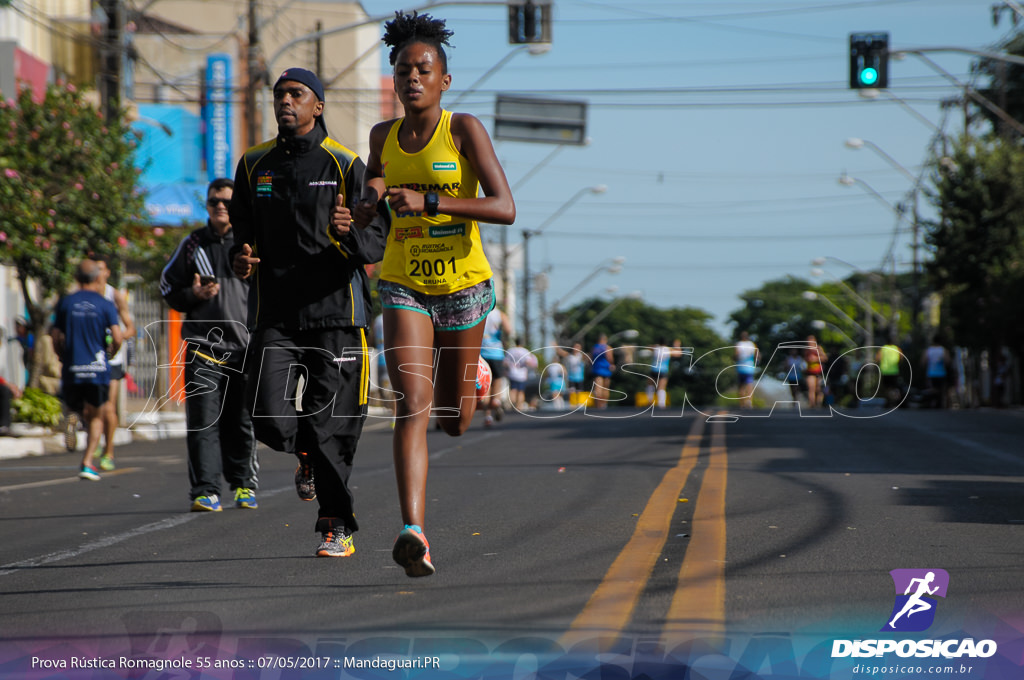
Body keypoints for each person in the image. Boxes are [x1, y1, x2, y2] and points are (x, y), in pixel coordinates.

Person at [350, 11, 515, 577]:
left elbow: (504, 208)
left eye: (424, 69)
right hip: (404, 284)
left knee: (455, 421)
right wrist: (365, 205)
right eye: (403, 70)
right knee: (411, 408)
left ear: (444, 80)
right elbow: (376, 180)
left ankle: (474, 378)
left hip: (464, 286)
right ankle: (413, 533)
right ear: (393, 80)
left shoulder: (463, 129)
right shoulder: (382, 136)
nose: (412, 77)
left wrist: (433, 203)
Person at [230, 67, 389, 556]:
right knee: (267, 415)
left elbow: (376, 241)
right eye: (279, 95)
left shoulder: (346, 163)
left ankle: (335, 525)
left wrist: (347, 232)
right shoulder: (254, 164)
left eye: (296, 94)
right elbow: (241, 235)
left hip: (338, 315)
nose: (285, 102)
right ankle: (304, 455)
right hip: (276, 314)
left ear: (317, 105)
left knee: (332, 430)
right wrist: (241, 258)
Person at [161, 178, 259, 513]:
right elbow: (167, 286)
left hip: (245, 347)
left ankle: (244, 484)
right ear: (206, 205)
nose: (220, 206)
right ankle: (205, 491)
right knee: (203, 421)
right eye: (214, 201)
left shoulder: (251, 243)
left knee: (242, 421)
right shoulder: (193, 245)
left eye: (227, 202)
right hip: (204, 347)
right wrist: (194, 295)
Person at [51, 259, 122, 480]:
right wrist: (112, 353)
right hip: (97, 368)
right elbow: (118, 336)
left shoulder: (65, 303)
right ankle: (88, 461)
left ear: (76, 278)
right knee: (97, 416)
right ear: (96, 277)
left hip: (72, 367)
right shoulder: (105, 304)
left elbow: (54, 335)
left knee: (76, 407)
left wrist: (61, 355)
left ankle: (73, 416)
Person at [92, 256, 136, 472]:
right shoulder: (84, 295)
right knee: (91, 406)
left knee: (108, 406)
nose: (97, 273)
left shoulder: (114, 296)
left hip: (112, 359)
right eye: (94, 269)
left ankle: (108, 451)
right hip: (90, 358)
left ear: (107, 272)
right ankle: (97, 442)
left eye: (100, 269)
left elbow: (130, 328)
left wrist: (116, 337)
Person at [479, 305, 512, 427]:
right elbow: (509, 330)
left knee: (486, 383)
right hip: (496, 352)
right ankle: (496, 400)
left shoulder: (481, 313)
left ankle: (487, 415)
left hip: (482, 352)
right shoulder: (500, 314)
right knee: (497, 379)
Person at [505, 337, 536, 411]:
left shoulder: (510, 351)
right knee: (521, 391)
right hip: (522, 374)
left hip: (512, 372)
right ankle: (519, 406)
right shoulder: (525, 351)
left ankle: (512, 404)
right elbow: (528, 362)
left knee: (513, 389)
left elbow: (505, 362)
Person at [922, 335, 951, 408]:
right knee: (941, 389)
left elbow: (923, 362)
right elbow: (948, 361)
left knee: (932, 389)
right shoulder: (943, 350)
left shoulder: (929, 350)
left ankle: (932, 403)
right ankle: (940, 404)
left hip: (931, 373)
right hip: (941, 373)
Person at [590, 333, 615, 409]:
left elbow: (590, 358)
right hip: (606, 369)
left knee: (598, 388)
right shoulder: (607, 348)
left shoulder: (594, 348)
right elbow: (609, 358)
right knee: (605, 388)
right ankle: (604, 404)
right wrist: (612, 364)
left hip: (597, 369)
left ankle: (598, 404)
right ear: (605, 339)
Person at [734, 331, 758, 409]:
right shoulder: (751, 344)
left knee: (741, 385)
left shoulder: (739, 344)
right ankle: (749, 401)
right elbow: (757, 353)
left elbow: (736, 354)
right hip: (749, 367)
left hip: (741, 367)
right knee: (749, 385)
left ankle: (742, 403)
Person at [803, 335, 828, 409]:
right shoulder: (806, 350)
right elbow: (804, 360)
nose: (809, 343)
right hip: (810, 372)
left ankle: (818, 403)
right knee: (811, 388)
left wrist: (816, 359)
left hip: (818, 372)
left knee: (818, 389)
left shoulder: (818, 349)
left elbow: (825, 358)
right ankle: (812, 404)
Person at [878, 337, 903, 408]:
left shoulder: (883, 349)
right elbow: (901, 357)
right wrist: (898, 364)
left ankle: (889, 401)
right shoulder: (897, 349)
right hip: (894, 371)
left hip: (885, 371)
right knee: (894, 387)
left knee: (887, 388)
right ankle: (895, 401)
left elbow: (878, 358)